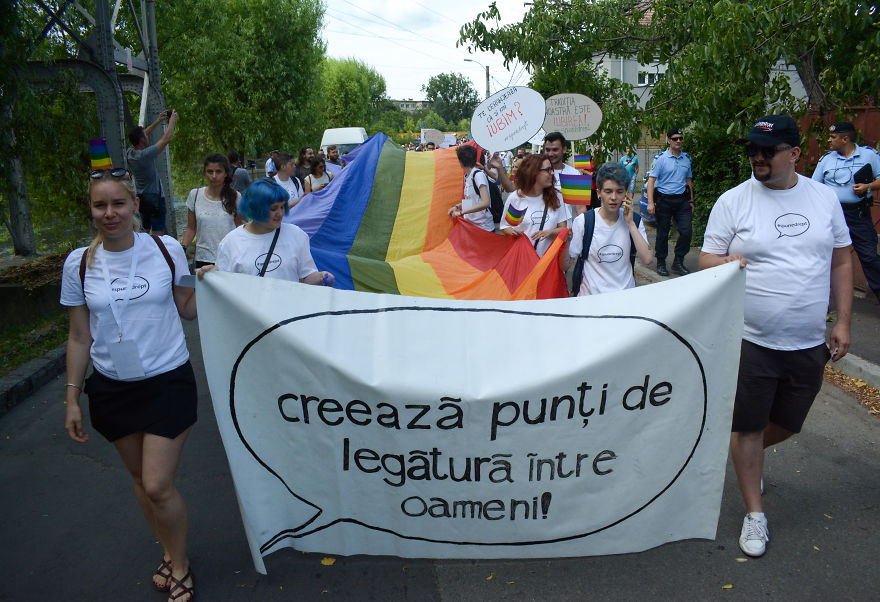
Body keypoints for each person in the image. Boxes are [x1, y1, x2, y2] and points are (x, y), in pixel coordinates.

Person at [699, 114, 853, 559]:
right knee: (747, 426)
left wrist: (842, 321)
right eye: (752, 150)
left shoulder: (823, 199)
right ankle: (755, 512)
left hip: (808, 341)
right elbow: (707, 258)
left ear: (795, 154)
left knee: (788, 423)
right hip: (750, 338)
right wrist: (728, 264)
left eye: (767, 151)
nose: (757, 157)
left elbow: (841, 260)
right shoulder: (733, 201)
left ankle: (747, 455)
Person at [61, 167, 198, 601]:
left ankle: (180, 563)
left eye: (118, 203)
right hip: (113, 387)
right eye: (100, 205)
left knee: (158, 484)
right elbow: (80, 335)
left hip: (167, 380)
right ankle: (167, 548)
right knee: (140, 480)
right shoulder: (78, 263)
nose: (110, 213)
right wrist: (71, 399)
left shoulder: (166, 248)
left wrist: (210, 279)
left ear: (135, 205)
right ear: (91, 211)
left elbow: (188, 308)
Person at [202, 178, 334, 284]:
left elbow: (305, 277)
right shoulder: (231, 242)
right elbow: (223, 287)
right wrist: (210, 276)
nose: (280, 213)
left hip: (289, 315)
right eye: (273, 208)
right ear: (255, 208)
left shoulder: (297, 235)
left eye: (282, 207)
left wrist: (320, 277)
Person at [811, 122, 880, 301]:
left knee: (870, 257)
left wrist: (868, 186)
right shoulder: (826, 159)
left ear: (845, 139)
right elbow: (814, 187)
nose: (829, 140)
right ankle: (820, 302)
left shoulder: (869, 155)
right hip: (830, 215)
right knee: (824, 258)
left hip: (857, 214)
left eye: (833, 137)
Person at [564, 162, 653, 295]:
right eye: (608, 191)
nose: (613, 197)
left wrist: (631, 224)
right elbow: (565, 265)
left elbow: (647, 259)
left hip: (625, 297)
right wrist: (566, 243)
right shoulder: (584, 222)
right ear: (599, 193)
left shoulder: (634, 220)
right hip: (592, 300)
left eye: (619, 191)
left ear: (626, 193)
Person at [498, 154, 568, 257]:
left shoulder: (557, 197)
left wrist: (549, 232)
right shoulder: (515, 198)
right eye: (548, 169)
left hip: (548, 262)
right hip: (522, 260)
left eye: (551, 169)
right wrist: (513, 232)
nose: (552, 173)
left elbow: (563, 228)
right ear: (534, 173)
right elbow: (505, 227)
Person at [180, 153, 242, 269]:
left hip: (229, 257)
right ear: (205, 173)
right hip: (203, 258)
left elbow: (239, 227)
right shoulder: (195, 195)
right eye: (210, 171)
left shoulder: (235, 196)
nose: (214, 176)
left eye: (218, 171)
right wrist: (182, 248)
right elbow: (191, 228)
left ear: (225, 173)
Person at [646, 127, 694, 276]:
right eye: (675, 138)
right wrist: (650, 203)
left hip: (682, 201)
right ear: (668, 140)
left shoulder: (686, 158)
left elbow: (688, 180)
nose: (678, 141)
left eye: (680, 138)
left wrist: (691, 201)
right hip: (664, 200)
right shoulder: (660, 159)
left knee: (686, 232)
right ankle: (661, 262)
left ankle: (678, 262)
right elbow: (651, 181)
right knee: (662, 233)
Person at [126, 109, 178, 235]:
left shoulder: (130, 153)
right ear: (142, 140)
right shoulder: (145, 155)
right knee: (158, 232)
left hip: (141, 197)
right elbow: (166, 139)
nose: (147, 135)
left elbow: (143, 134)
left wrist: (158, 121)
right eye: (145, 136)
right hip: (154, 197)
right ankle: (156, 252)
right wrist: (172, 120)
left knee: (144, 230)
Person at [448, 145, 494, 232]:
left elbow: (485, 202)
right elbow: (473, 201)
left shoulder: (478, 175)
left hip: (483, 227)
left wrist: (461, 212)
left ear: (461, 161)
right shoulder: (467, 176)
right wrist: (457, 206)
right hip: (471, 225)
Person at [543, 131, 581, 219]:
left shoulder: (575, 174)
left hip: (566, 230)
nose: (550, 154)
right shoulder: (535, 172)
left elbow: (580, 208)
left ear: (564, 149)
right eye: (547, 150)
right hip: (540, 231)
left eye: (555, 150)